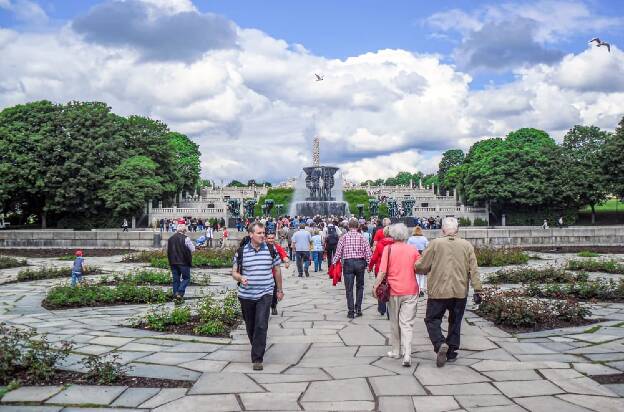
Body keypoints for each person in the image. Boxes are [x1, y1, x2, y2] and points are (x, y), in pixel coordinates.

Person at [415, 217, 482, 368]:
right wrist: (478, 289)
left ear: (443, 229)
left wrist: (416, 265)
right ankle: (451, 352)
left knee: (432, 319)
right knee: (455, 321)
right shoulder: (466, 245)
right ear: (457, 230)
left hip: (439, 290)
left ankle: (439, 344)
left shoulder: (435, 244)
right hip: (459, 291)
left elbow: (422, 266)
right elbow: (474, 269)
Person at [232, 222, 283, 371]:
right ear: (251, 234)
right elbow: (234, 272)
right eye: (260, 233)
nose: (263, 236)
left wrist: (279, 289)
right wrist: (240, 278)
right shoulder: (241, 252)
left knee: (261, 324)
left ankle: (257, 358)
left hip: (265, 293)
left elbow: (277, 270)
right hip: (246, 295)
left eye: (263, 233)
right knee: (250, 326)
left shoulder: (270, 249)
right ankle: (256, 345)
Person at [372, 224, 421, 366]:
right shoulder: (413, 250)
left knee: (394, 322)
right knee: (407, 323)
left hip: (393, 291)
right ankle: (407, 354)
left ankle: (396, 350)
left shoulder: (389, 249)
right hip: (411, 290)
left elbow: (382, 272)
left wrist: (375, 286)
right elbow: (420, 267)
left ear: (392, 235)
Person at [332, 218, 372, 318]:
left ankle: (350, 311)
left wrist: (334, 262)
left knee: (349, 288)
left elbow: (338, 252)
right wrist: (369, 265)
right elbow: (368, 253)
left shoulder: (344, 237)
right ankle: (358, 309)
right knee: (360, 287)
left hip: (348, 263)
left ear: (349, 226)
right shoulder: (362, 237)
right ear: (358, 226)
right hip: (360, 263)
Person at [368, 226, 394, 316]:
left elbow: (374, 258)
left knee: (381, 287)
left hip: (380, 269)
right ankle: (390, 309)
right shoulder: (395, 244)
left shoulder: (379, 244)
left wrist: (370, 267)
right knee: (392, 288)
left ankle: (382, 308)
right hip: (392, 269)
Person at [167, 222, 195, 300]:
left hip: (173, 261)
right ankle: (180, 292)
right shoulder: (186, 238)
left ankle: (175, 294)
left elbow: (169, 251)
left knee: (176, 279)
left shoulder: (170, 239)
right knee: (186, 278)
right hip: (183, 261)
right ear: (184, 231)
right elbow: (193, 249)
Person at [266, 232, 290, 315]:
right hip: (264, 274)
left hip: (274, 274)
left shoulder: (277, 247)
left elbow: (284, 255)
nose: (270, 240)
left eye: (272, 238)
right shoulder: (262, 247)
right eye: (269, 238)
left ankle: (273, 306)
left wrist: (287, 261)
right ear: (266, 239)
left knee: (274, 291)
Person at [407, 226, 429, 297]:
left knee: (416, 274)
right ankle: (421, 289)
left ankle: (417, 289)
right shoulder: (424, 238)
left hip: (413, 257)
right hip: (422, 257)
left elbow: (407, 247)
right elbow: (428, 247)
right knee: (422, 274)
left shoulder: (411, 239)